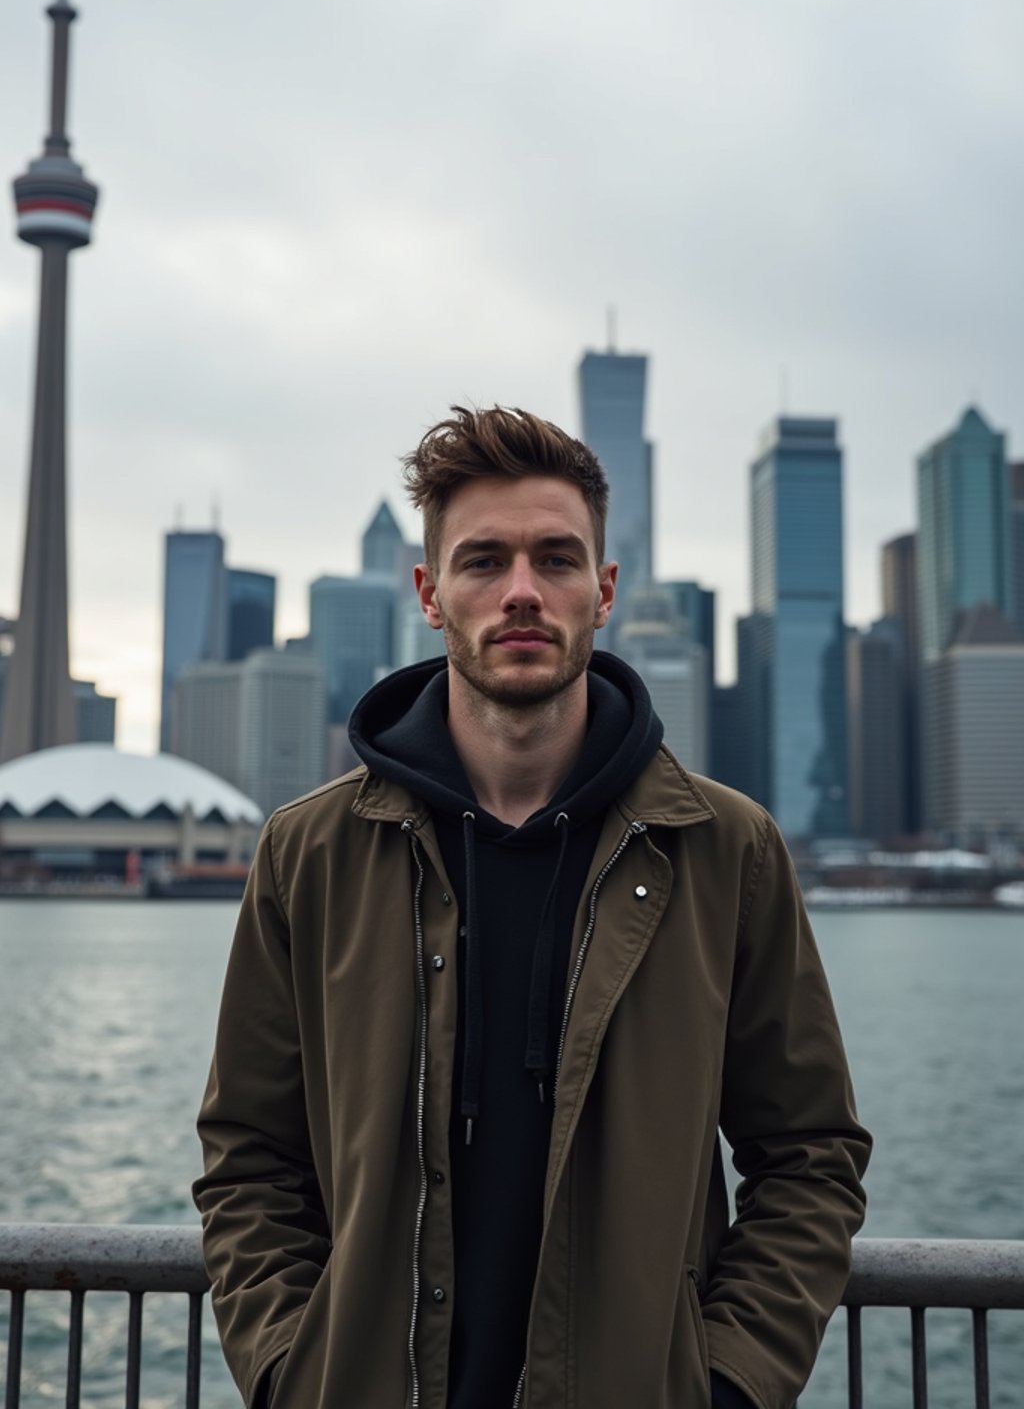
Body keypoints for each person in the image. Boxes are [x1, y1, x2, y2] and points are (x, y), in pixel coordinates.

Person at [194, 405, 870, 1409]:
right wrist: (293, 1371)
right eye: (482, 562)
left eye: (556, 559)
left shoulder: (727, 852)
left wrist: (727, 1385)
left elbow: (810, 1158)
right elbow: (250, 1157)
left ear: (602, 590)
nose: (520, 592)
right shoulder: (311, 853)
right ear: (428, 593)